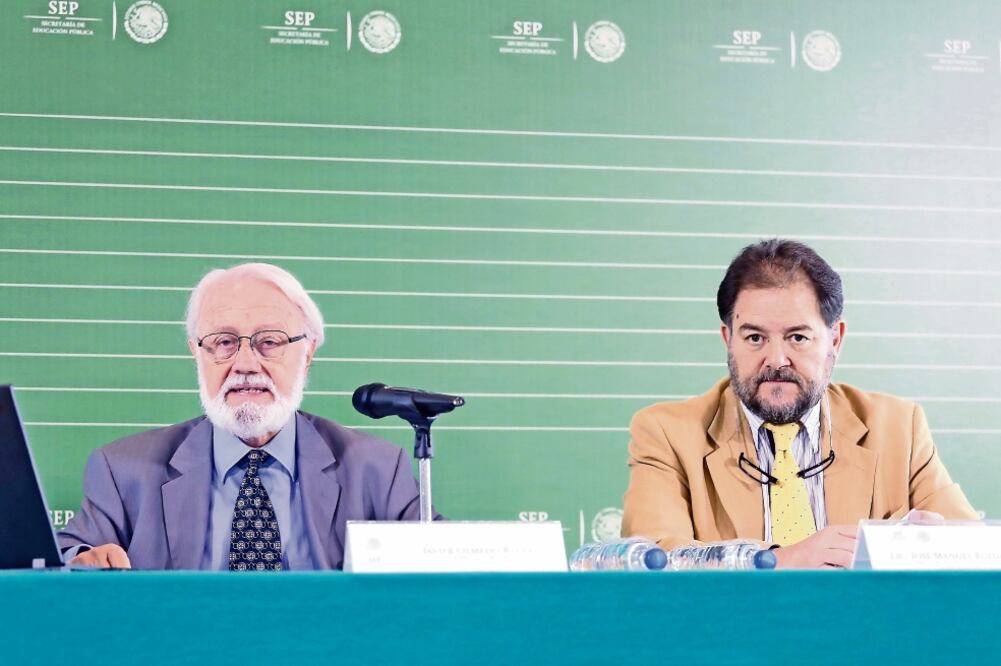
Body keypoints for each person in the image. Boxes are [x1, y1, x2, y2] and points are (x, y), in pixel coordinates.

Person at [621, 239, 977, 569]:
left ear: (834, 339)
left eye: (798, 337)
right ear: (728, 339)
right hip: (729, 632)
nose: (776, 359)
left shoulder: (900, 427)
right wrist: (780, 560)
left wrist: (926, 546)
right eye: (755, 337)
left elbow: (976, 553)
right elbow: (653, 561)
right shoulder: (666, 432)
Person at [59, 263, 432, 570]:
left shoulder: (376, 468)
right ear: (196, 353)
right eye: (223, 342)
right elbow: (63, 556)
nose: (245, 363)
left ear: (307, 352)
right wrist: (81, 562)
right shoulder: (125, 470)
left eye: (269, 341)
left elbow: (451, 558)